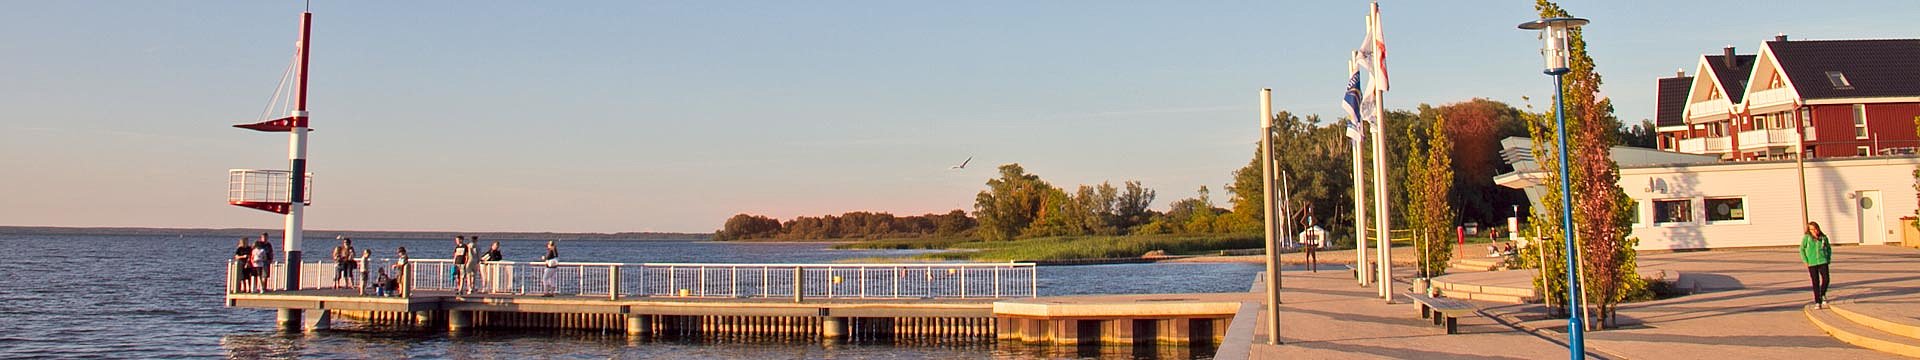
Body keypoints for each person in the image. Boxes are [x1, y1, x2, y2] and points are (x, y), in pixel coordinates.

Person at [1802, 222, 1834, 309]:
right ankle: (1817, 301)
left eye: (1815, 229)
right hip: (1812, 262)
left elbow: (1828, 248)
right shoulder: (1807, 238)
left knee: (1826, 279)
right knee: (1815, 282)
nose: (1814, 231)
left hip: (1823, 261)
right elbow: (1802, 249)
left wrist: (1828, 258)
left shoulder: (1823, 238)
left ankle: (1822, 293)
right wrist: (1805, 260)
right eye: (1812, 229)